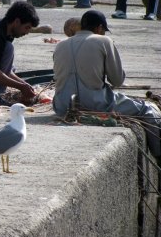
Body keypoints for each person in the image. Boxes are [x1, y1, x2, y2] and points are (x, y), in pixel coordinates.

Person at [52, 10, 161, 158]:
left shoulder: (60, 45)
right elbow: (117, 80)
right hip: (96, 104)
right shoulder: (104, 41)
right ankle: (159, 155)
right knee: (147, 108)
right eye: (103, 30)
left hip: (62, 106)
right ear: (99, 28)